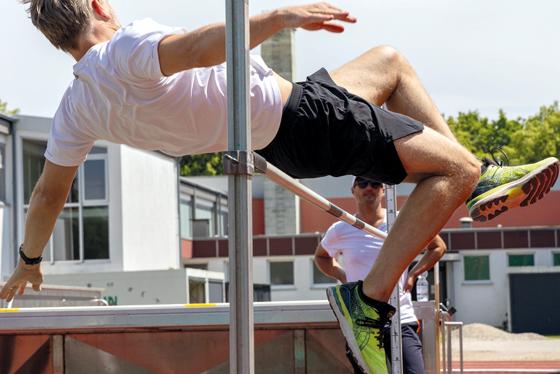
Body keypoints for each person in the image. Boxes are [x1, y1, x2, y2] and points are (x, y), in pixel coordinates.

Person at [2, 1, 558, 373]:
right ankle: (369, 300)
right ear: (98, 5)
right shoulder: (122, 49)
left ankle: (482, 176)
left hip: (283, 120)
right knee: (452, 174)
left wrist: (29, 259)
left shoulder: (76, 106)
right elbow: (200, 48)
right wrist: (279, 17)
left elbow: (50, 193)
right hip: (299, 120)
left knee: (390, 63)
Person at [315, 176, 446, 374]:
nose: (369, 187)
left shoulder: (401, 221)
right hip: (363, 323)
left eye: (375, 183)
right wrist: (342, 276)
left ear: (384, 191)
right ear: (353, 190)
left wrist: (413, 274)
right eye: (363, 183)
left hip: (400, 316)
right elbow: (321, 257)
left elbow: (438, 247)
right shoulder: (342, 228)